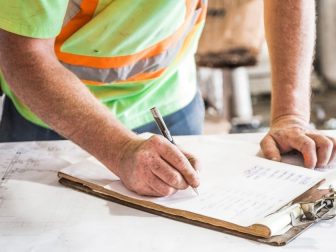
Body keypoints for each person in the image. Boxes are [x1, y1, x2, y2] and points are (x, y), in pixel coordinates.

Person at [0, 0, 334, 197]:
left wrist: (290, 116)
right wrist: (120, 149)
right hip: (55, 118)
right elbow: (21, 54)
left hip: (172, 100)